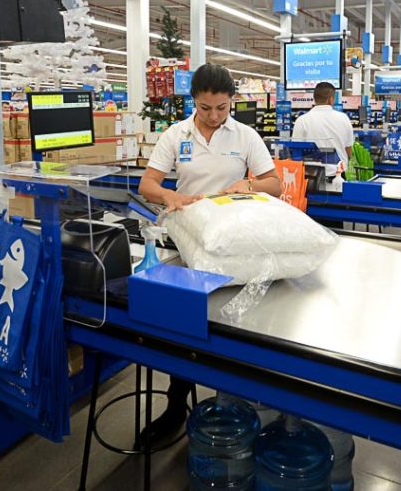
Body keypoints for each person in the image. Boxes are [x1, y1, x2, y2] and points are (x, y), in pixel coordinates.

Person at [138, 63, 281, 443]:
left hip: (237, 242)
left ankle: (234, 406)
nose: (214, 116)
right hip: (189, 241)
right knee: (185, 324)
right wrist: (173, 196)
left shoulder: (246, 135)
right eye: (205, 108)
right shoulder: (176, 134)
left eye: (221, 107)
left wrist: (248, 184)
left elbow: (276, 184)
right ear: (194, 102)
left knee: (233, 322)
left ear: (231, 101)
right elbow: (148, 184)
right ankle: (175, 405)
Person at [291, 81, 355, 168]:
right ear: (331, 99)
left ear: (314, 98)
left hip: (311, 174)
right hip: (338, 174)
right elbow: (348, 149)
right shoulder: (344, 118)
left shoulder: (302, 120)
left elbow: (296, 149)